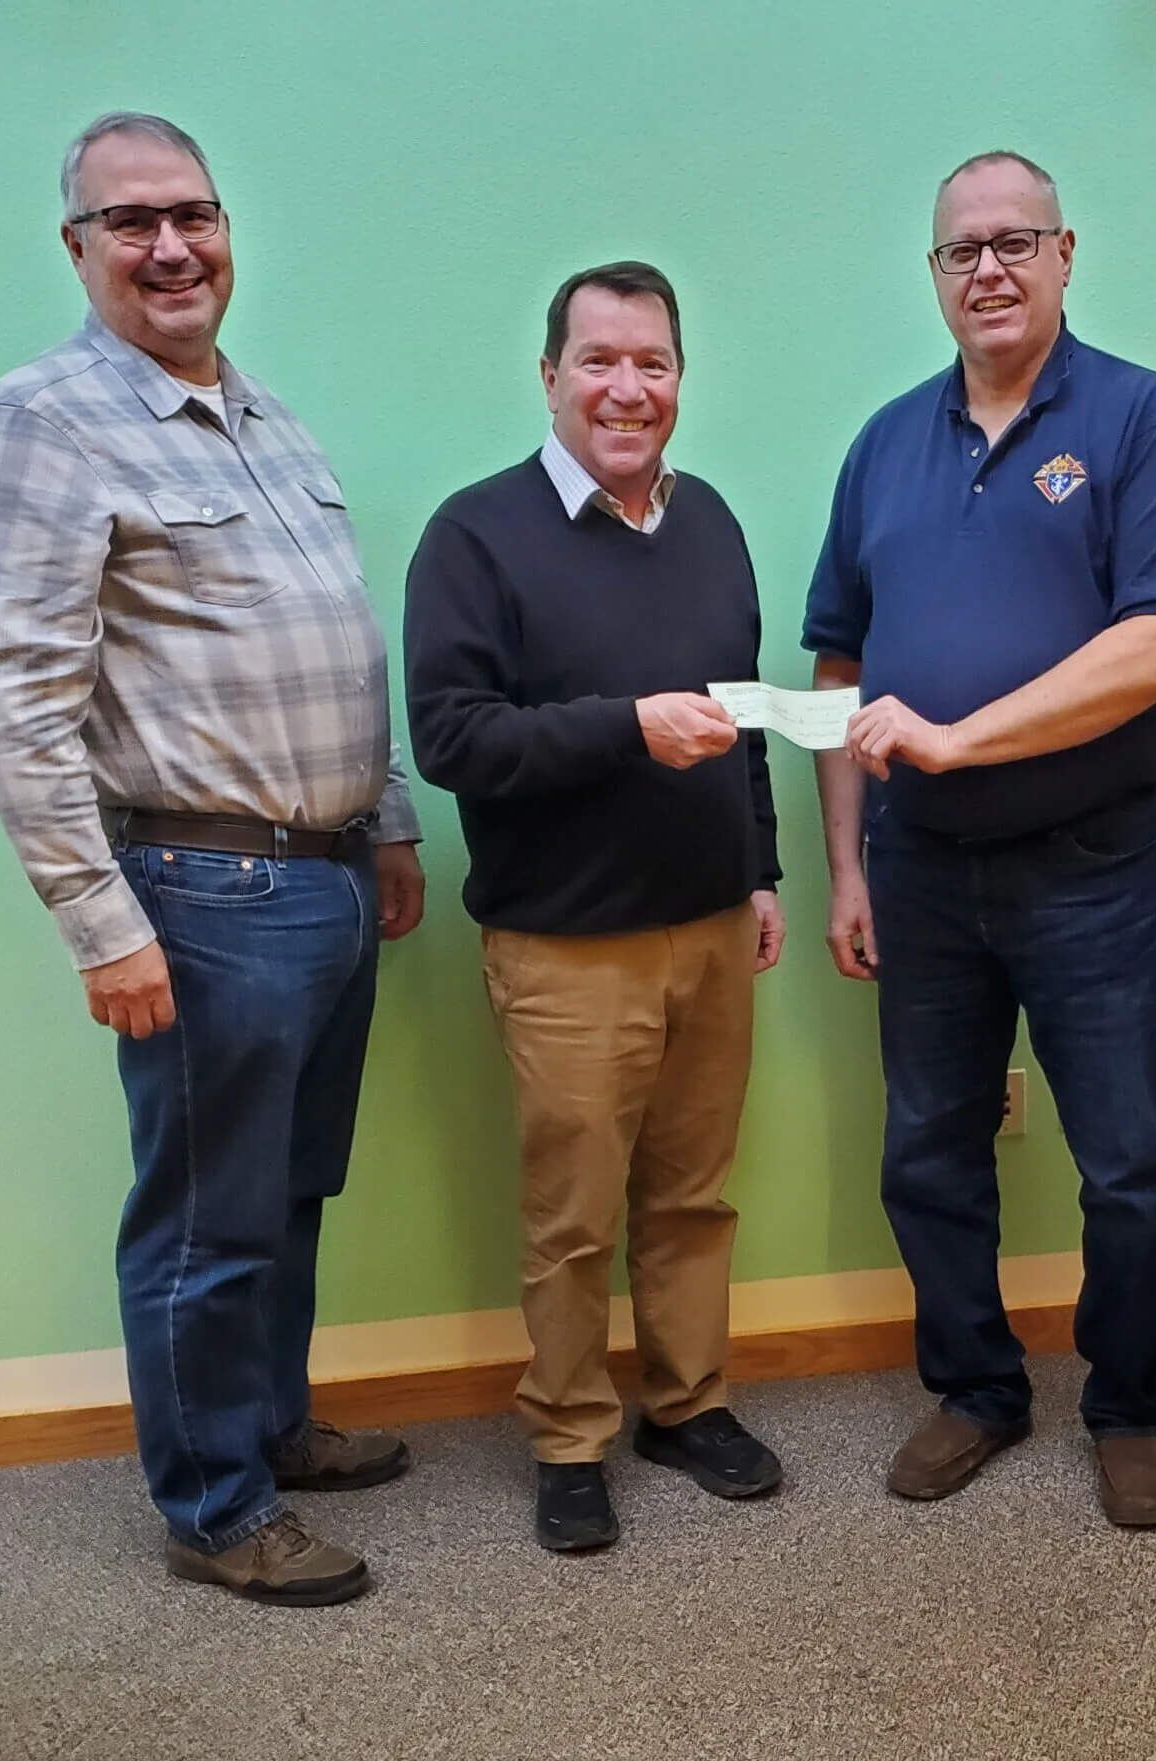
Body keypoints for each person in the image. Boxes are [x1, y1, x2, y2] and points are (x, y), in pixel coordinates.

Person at [0, 112, 426, 1606]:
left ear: (229, 229)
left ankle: (267, 1426)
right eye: (132, 220)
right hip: (204, 893)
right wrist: (99, 922)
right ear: (78, 247)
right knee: (209, 1212)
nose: (172, 246)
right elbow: (14, 702)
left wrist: (389, 821)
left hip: (327, 875)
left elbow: (344, 644)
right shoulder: (41, 421)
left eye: (195, 215)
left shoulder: (268, 418)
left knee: (287, 1191)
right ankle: (214, 1507)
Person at [802, 152, 1156, 1527]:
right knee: (926, 1143)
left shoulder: (1139, 418)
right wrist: (852, 860)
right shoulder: (882, 444)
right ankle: (978, 1386)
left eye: (1014, 243)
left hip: (1096, 867)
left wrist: (963, 738)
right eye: (960, 250)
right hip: (921, 870)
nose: (987, 268)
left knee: (1125, 1161)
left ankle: (1128, 1407)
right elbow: (839, 664)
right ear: (933, 275)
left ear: (1063, 254)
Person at [404, 261, 786, 1553]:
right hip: (564, 944)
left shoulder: (714, 520)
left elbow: (743, 721)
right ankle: (569, 1430)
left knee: (694, 1195)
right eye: (601, 360)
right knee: (573, 1217)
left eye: (655, 363)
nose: (630, 387)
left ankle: (687, 1403)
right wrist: (623, 727)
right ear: (552, 374)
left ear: (681, 378)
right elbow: (453, 738)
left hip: (712, 926)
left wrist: (764, 867)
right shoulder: (474, 534)